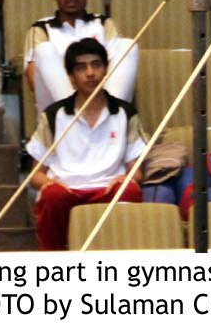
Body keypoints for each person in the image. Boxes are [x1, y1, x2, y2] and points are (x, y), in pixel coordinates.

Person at [26, 38, 146, 251]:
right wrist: (48, 184)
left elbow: (136, 171)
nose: (90, 73)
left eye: (96, 65)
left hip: (109, 188)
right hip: (67, 191)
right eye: (82, 68)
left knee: (129, 191)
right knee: (52, 196)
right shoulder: (54, 115)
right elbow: (35, 174)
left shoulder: (125, 112)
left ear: (106, 70)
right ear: (72, 78)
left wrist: (127, 179)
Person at [24, 0, 138, 111]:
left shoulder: (104, 24)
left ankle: (107, 115)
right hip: (60, 113)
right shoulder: (40, 28)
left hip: (104, 103)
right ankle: (76, 116)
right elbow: (35, 82)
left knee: (128, 45)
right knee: (45, 50)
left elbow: (113, 73)